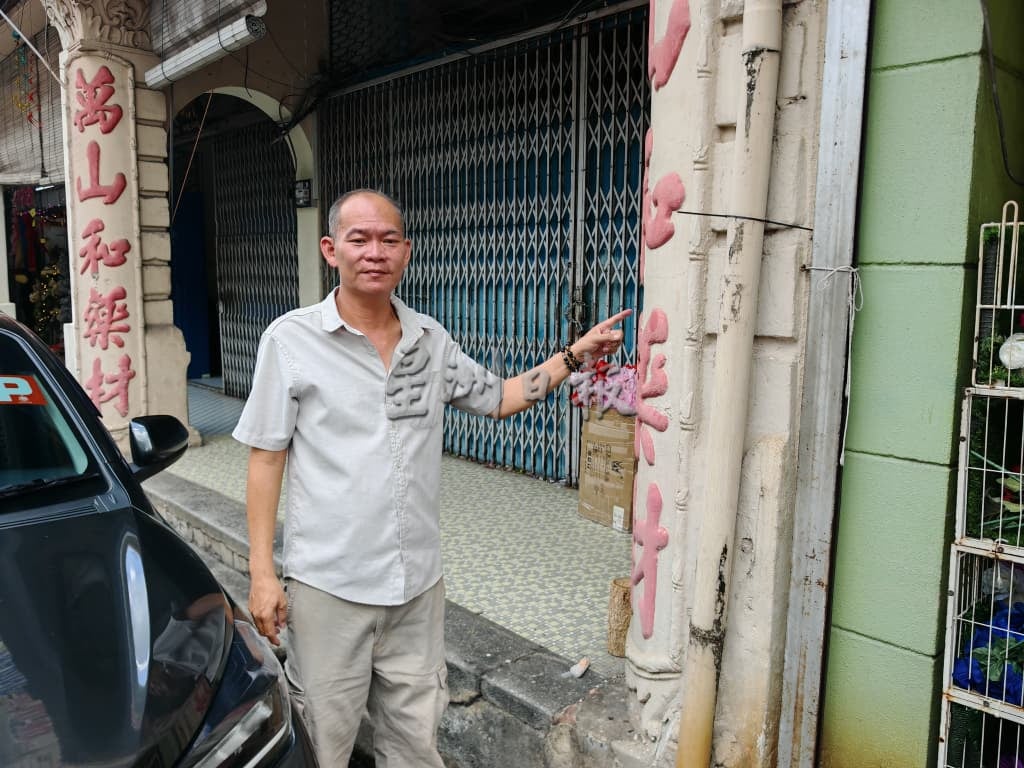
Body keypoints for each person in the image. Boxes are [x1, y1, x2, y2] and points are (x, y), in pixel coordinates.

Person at [233, 188, 631, 766]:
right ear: (330, 249)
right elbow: (266, 457)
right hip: (329, 587)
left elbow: (500, 397)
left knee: (415, 745)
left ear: (407, 252)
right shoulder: (291, 341)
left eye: (389, 240)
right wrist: (262, 574)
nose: (375, 252)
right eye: (359, 239)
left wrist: (575, 356)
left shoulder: (431, 341)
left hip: (416, 588)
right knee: (322, 743)